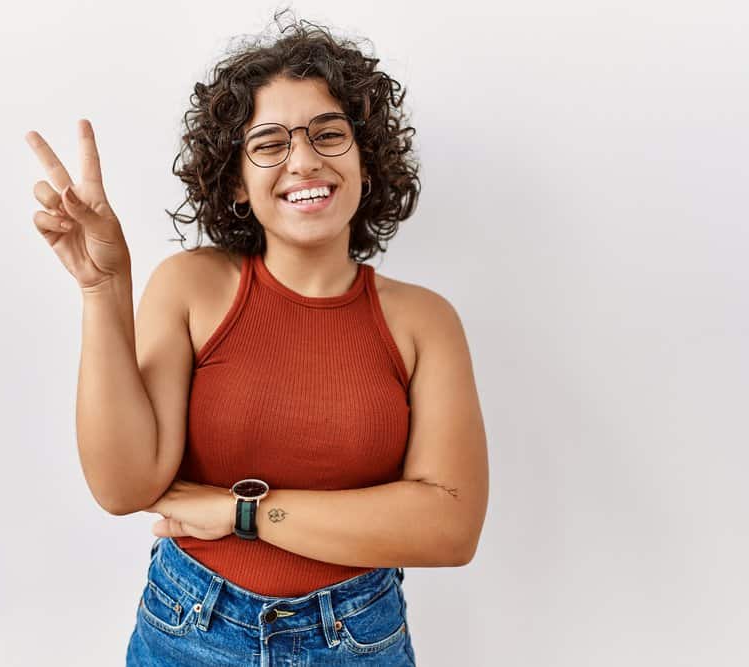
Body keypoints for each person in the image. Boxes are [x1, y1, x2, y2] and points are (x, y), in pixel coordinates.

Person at [25, 9, 488, 666]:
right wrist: (104, 291)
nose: (303, 160)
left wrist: (242, 513)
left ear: (365, 158)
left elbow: (450, 526)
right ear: (238, 182)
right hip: (189, 628)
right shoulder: (191, 287)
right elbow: (124, 487)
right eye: (270, 143)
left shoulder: (424, 322)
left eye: (329, 134)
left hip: (356, 638)